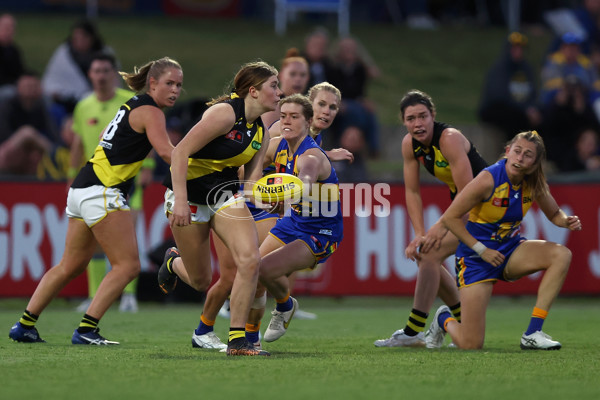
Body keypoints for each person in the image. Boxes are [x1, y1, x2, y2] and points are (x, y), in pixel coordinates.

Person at [8, 57, 183, 344]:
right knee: (128, 266)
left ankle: (24, 325)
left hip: (81, 189)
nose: (175, 90)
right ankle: (87, 329)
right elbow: (167, 153)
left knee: (70, 265)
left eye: (179, 85)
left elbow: (104, 135)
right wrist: (200, 162)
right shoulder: (151, 111)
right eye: (169, 83)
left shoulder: (132, 104)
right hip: (103, 191)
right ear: (152, 83)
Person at [157, 60, 281, 356]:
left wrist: (274, 196)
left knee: (250, 259)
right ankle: (173, 262)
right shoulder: (225, 113)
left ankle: (238, 341)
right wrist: (182, 202)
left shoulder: (260, 131)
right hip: (188, 194)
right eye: (274, 86)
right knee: (201, 280)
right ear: (253, 91)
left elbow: (250, 184)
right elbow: (180, 153)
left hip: (223, 195)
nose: (280, 92)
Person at [427, 130, 582, 350]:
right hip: (476, 258)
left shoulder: (534, 182)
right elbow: (451, 218)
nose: (520, 158)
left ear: (536, 162)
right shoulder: (487, 179)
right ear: (508, 151)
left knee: (562, 254)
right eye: (517, 151)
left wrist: (566, 221)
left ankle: (532, 332)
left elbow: (555, 213)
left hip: (508, 250)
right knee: (471, 344)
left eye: (528, 155)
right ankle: (444, 319)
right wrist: (482, 250)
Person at [374, 90, 487, 348]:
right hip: (466, 206)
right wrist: (419, 233)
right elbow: (412, 191)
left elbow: (468, 193)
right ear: (404, 122)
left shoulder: (450, 139)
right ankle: (458, 320)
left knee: (428, 254)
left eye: (423, 116)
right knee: (428, 253)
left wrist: (436, 229)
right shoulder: (409, 145)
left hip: (487, 209)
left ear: (433, 116)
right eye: (411, 118)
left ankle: (414, 332)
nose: (418, 123)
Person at [257, 93, 344, 343]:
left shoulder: (312, 156)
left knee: (262, 270)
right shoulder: (277, 144)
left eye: (294, 117)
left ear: (308, 122)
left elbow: (304, 180)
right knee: (251, 270)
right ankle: (249, 337)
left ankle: (282, 307)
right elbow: (248, 166)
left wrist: (282, 198)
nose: (286, 121)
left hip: (321, 232)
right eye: (283, 116)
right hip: (293, 221)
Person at [67, 52, 138, 313]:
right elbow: (76, 143)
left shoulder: (128, 102)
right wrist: (71, 175)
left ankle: (129, 296)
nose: (100, 76)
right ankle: (94, 296)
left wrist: (148, 168)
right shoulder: (83, 106)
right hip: (92, 182)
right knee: (92, 245)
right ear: (90, 75)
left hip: (125, 180)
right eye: (96, 71)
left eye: (105, 71)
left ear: (114, 74)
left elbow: (145, 137)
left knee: (128, 238)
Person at [42, 19, 115, 127]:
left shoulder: (105, 54)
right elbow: (52, 80)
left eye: (84, 37)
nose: (79, 41)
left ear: (92, 38)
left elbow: (114, 81)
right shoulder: (63, 53)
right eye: (76, 38)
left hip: (97, 99)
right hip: (67, 100)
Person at [478, 32, 543, 143]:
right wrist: (525, 109)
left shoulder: (527, 70)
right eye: (514, 48)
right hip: (496, 110)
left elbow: (534, 94)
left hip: (521, 112)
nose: (518, 51)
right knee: (511, 116)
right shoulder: (499, 68)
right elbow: (499, 96)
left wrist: (532, 108)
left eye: (520, 48)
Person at [328, 36, 381, 158]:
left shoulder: (359, 68)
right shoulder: (333, 68)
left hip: (355, 102)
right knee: (355, 112)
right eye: (346, 48)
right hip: (339, 102)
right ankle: (357, 145)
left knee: (369, 112)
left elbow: (361, 91)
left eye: (351, 48)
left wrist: (365, 101)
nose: (349, 51)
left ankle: (372, 148)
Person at [0, 70, 58, 176]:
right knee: (26, 132)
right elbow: (4, 135)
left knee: (34, 150)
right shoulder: (6, 105)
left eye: (34, 86)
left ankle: (58, 160)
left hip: (32, 152)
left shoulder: (41, 107)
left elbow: (53, 134)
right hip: (8, 151)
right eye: (27, 86)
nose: (30, 89)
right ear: (18, 88)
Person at [260, 48, 310, 129]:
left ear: (308, 78)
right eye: (292, 74)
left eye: (303, 75)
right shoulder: (273, 105)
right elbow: (265, 138)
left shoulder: (306, 106)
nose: (298, 79)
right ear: (281, 75)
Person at [0, 13, 25, 101]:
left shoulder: (14, 50)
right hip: (5, 88)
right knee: (10, 94)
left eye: (12, 27)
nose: (9, 30)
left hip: (13, 86)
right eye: (5, 27)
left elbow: (21, 71)